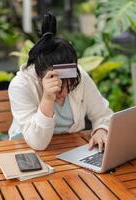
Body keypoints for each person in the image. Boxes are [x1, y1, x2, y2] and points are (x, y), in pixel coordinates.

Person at [8, 13, 113, 151]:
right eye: (58, 86)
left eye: (70, 85)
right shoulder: (21, 85)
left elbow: (103, 114)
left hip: (70, 148)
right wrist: (47, 98)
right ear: (40, 76)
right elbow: (37, 143)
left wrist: (101, 130)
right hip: (26, 150)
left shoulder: (79, 76)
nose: (64, 93)